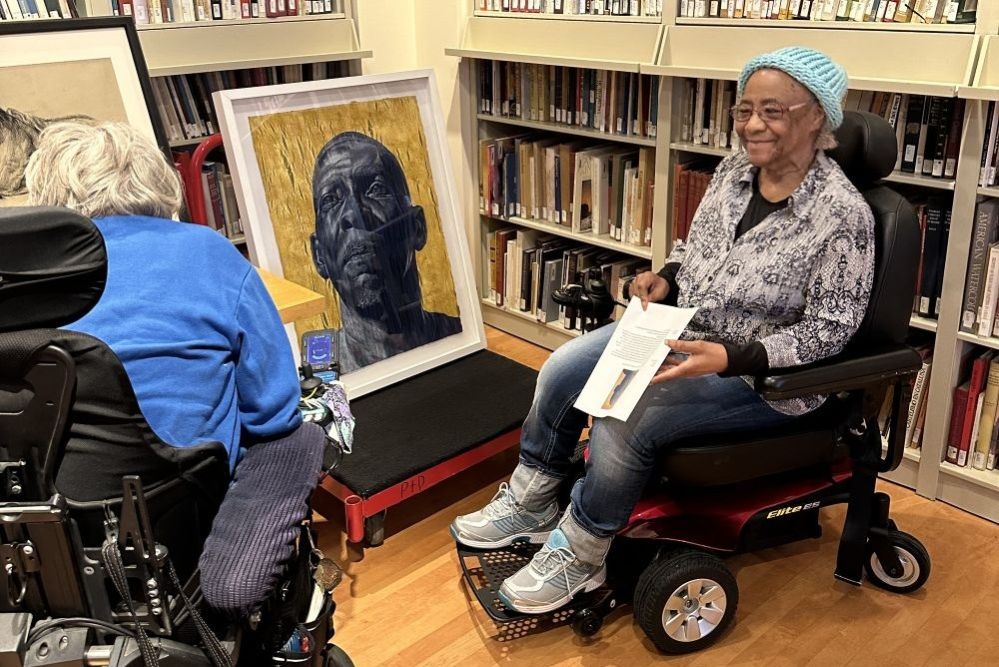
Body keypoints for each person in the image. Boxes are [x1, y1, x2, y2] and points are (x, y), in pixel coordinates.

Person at [451, 47, 876, 614]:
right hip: (683, 332)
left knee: (626, 412)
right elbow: (694, 252)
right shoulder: (731, 172)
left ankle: (582, 552)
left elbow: (831, 329)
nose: (752, 125)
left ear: (817, 116)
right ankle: (532, 498)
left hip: (766, 378)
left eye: (772, 111)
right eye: (743, 109)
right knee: (563, 369)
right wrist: (667, 282)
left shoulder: (844, 215)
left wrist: (732, 357)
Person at [24, 121, 302, 473]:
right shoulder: (209, 251)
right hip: (197, 496)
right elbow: (273, 412)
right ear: (157, 178)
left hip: (66, 508)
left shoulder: (28, 277)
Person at [310, 131, 462, 373]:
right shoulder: (318, 371)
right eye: (331, 200)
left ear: (417, 227)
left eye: (375, 188)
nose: (354, 214)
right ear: (318, 255)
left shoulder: (459, 337)